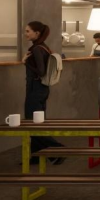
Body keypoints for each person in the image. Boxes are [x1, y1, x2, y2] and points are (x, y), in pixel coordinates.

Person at [23, 21, 64, 164]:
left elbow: (40, 71)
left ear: (37, 33)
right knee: (37, 122)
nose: (26, 33)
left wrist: (25, 62)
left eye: (28, 31)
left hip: (35, 90)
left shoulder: (36, 49)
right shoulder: (44, 47)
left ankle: (58, 149)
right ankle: (36, 156)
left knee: (32, 124)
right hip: (43, 90)